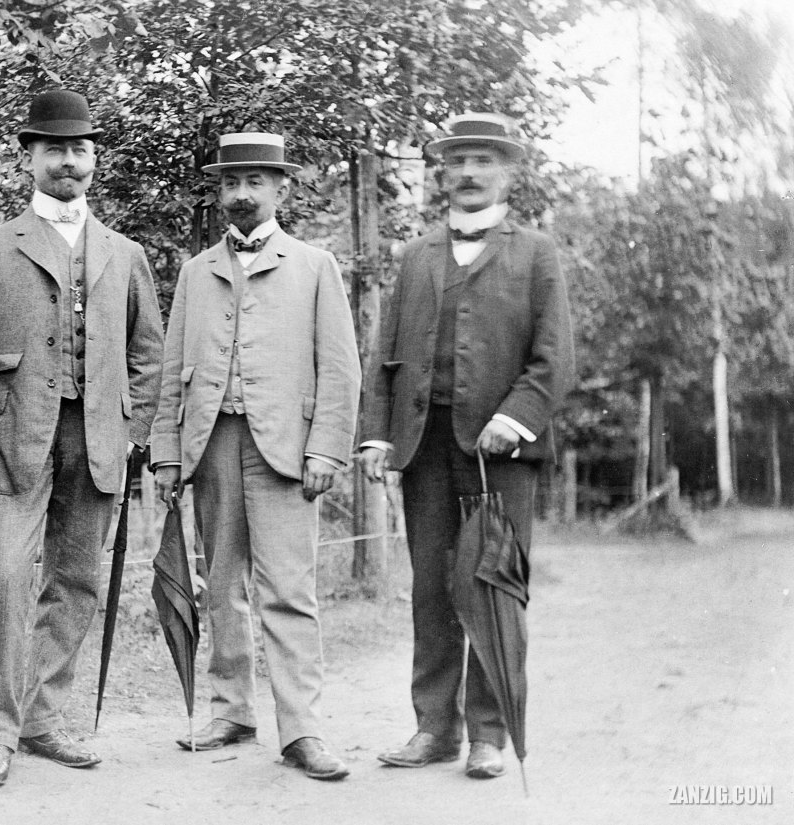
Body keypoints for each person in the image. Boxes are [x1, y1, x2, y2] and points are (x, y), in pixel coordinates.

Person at [0, 89, 164, 788]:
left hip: (98, 439)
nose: (69, 162)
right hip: (12, 437)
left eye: (80, 150)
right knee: (5, 576)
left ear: (93, 159)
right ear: (29, 159)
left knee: (75, 580)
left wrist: (135, 431)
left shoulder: (125, 254)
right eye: (55, 150)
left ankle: (44, 720)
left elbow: (148, 354)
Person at [358, 112, 574, 780]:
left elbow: (555, 358)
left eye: (485, 160)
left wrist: (517, 417)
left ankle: (489, 732)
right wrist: (374, 434)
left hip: (500, 453)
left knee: (494, 585)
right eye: (459, 161)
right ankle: (433, 726)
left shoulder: (535, 252)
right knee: (429, 587)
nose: (471, 173)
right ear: (442, 175)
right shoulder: (417, 255)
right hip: (424, 448)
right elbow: (386, 356)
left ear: (509, 172)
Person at [151, 132, 361, 781]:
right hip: (212, 443)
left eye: (255, 182)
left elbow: (341, 369)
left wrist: (327, 447)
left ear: (282, 189)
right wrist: (166, 454)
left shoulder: (315, 265)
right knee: (220, 584)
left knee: (289, 591)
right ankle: (232, 709)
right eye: (231, 182)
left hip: (287, 452)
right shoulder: (195, 271)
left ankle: (301, 728)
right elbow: (170, 371)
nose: (242, 193)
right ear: (220, 191)